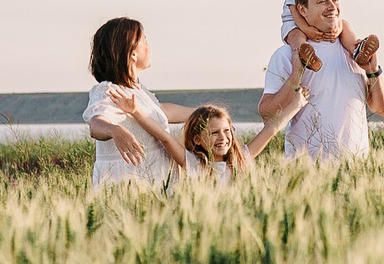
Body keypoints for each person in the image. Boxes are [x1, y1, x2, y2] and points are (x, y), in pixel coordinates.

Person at [260, 0, 384, 159]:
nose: (332, 7)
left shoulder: (355, 51)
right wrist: (296, 74)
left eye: (335, 0)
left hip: (357, 176)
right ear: (303, 10)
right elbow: (267, 114)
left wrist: (372, 72)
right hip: (306, 177)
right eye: (323, 1)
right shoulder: (286, 56)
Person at [84, 16, 188, 189]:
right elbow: (96, 123)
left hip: (155, 184)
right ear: (132, 53)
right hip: (129, 187)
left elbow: (161, 111)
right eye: (145, 41)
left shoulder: (136, 89)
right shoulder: (109, 90)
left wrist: (206, 112)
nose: (149, 47)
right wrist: (114, 130)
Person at [180, 91, 302, 184]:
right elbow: (166, 138)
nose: (223, 137)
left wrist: (297, 104)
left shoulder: (240, 159)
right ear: (197, 139)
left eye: (226, 130)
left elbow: (271, 129)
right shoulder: (192, 162)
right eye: (214, 133)